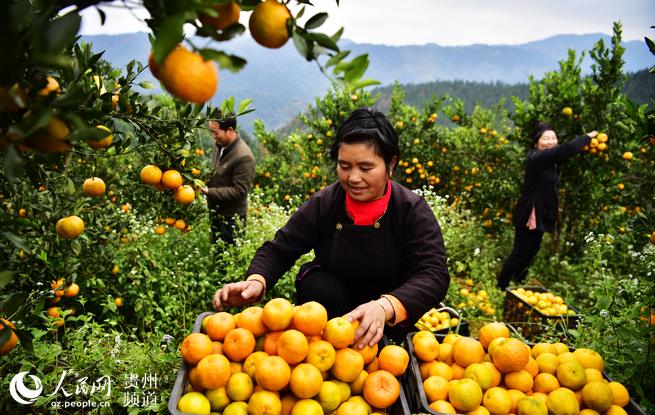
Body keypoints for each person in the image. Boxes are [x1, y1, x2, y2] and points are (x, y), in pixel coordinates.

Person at [212, 108, 450, 348]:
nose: (353, 178)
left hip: (387, 316)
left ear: (391, 164)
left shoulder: (410, 209)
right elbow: (280, 249)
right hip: (330, 317)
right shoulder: (327, 202)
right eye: (344, 166)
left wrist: (385, 306)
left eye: (366, 168)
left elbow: (434, 273)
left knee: (386, 352)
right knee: (316, 284)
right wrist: (256, 281)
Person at [497, 122, 598, 290]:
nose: (550, 141)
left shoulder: (550, 160)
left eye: (553, 138)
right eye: (546, 138)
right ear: (536, 142)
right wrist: (587, 137)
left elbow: (560, 154)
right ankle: (502, 287)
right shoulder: (536, 157)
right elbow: (564, 150)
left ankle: (517, 286)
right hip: (530, 211)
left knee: (531, 251)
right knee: (520, 251)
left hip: (541, 211)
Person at [201, 115, 256, 245]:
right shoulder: (219, 144)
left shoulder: (243, 156)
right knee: (217, 251)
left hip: (231, 217)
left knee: (229, 256)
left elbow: (239, 191)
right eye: (211, 132)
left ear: (230, 130)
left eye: (215, 132)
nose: (212, 136)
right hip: (216, 211)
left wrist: (209, 191)